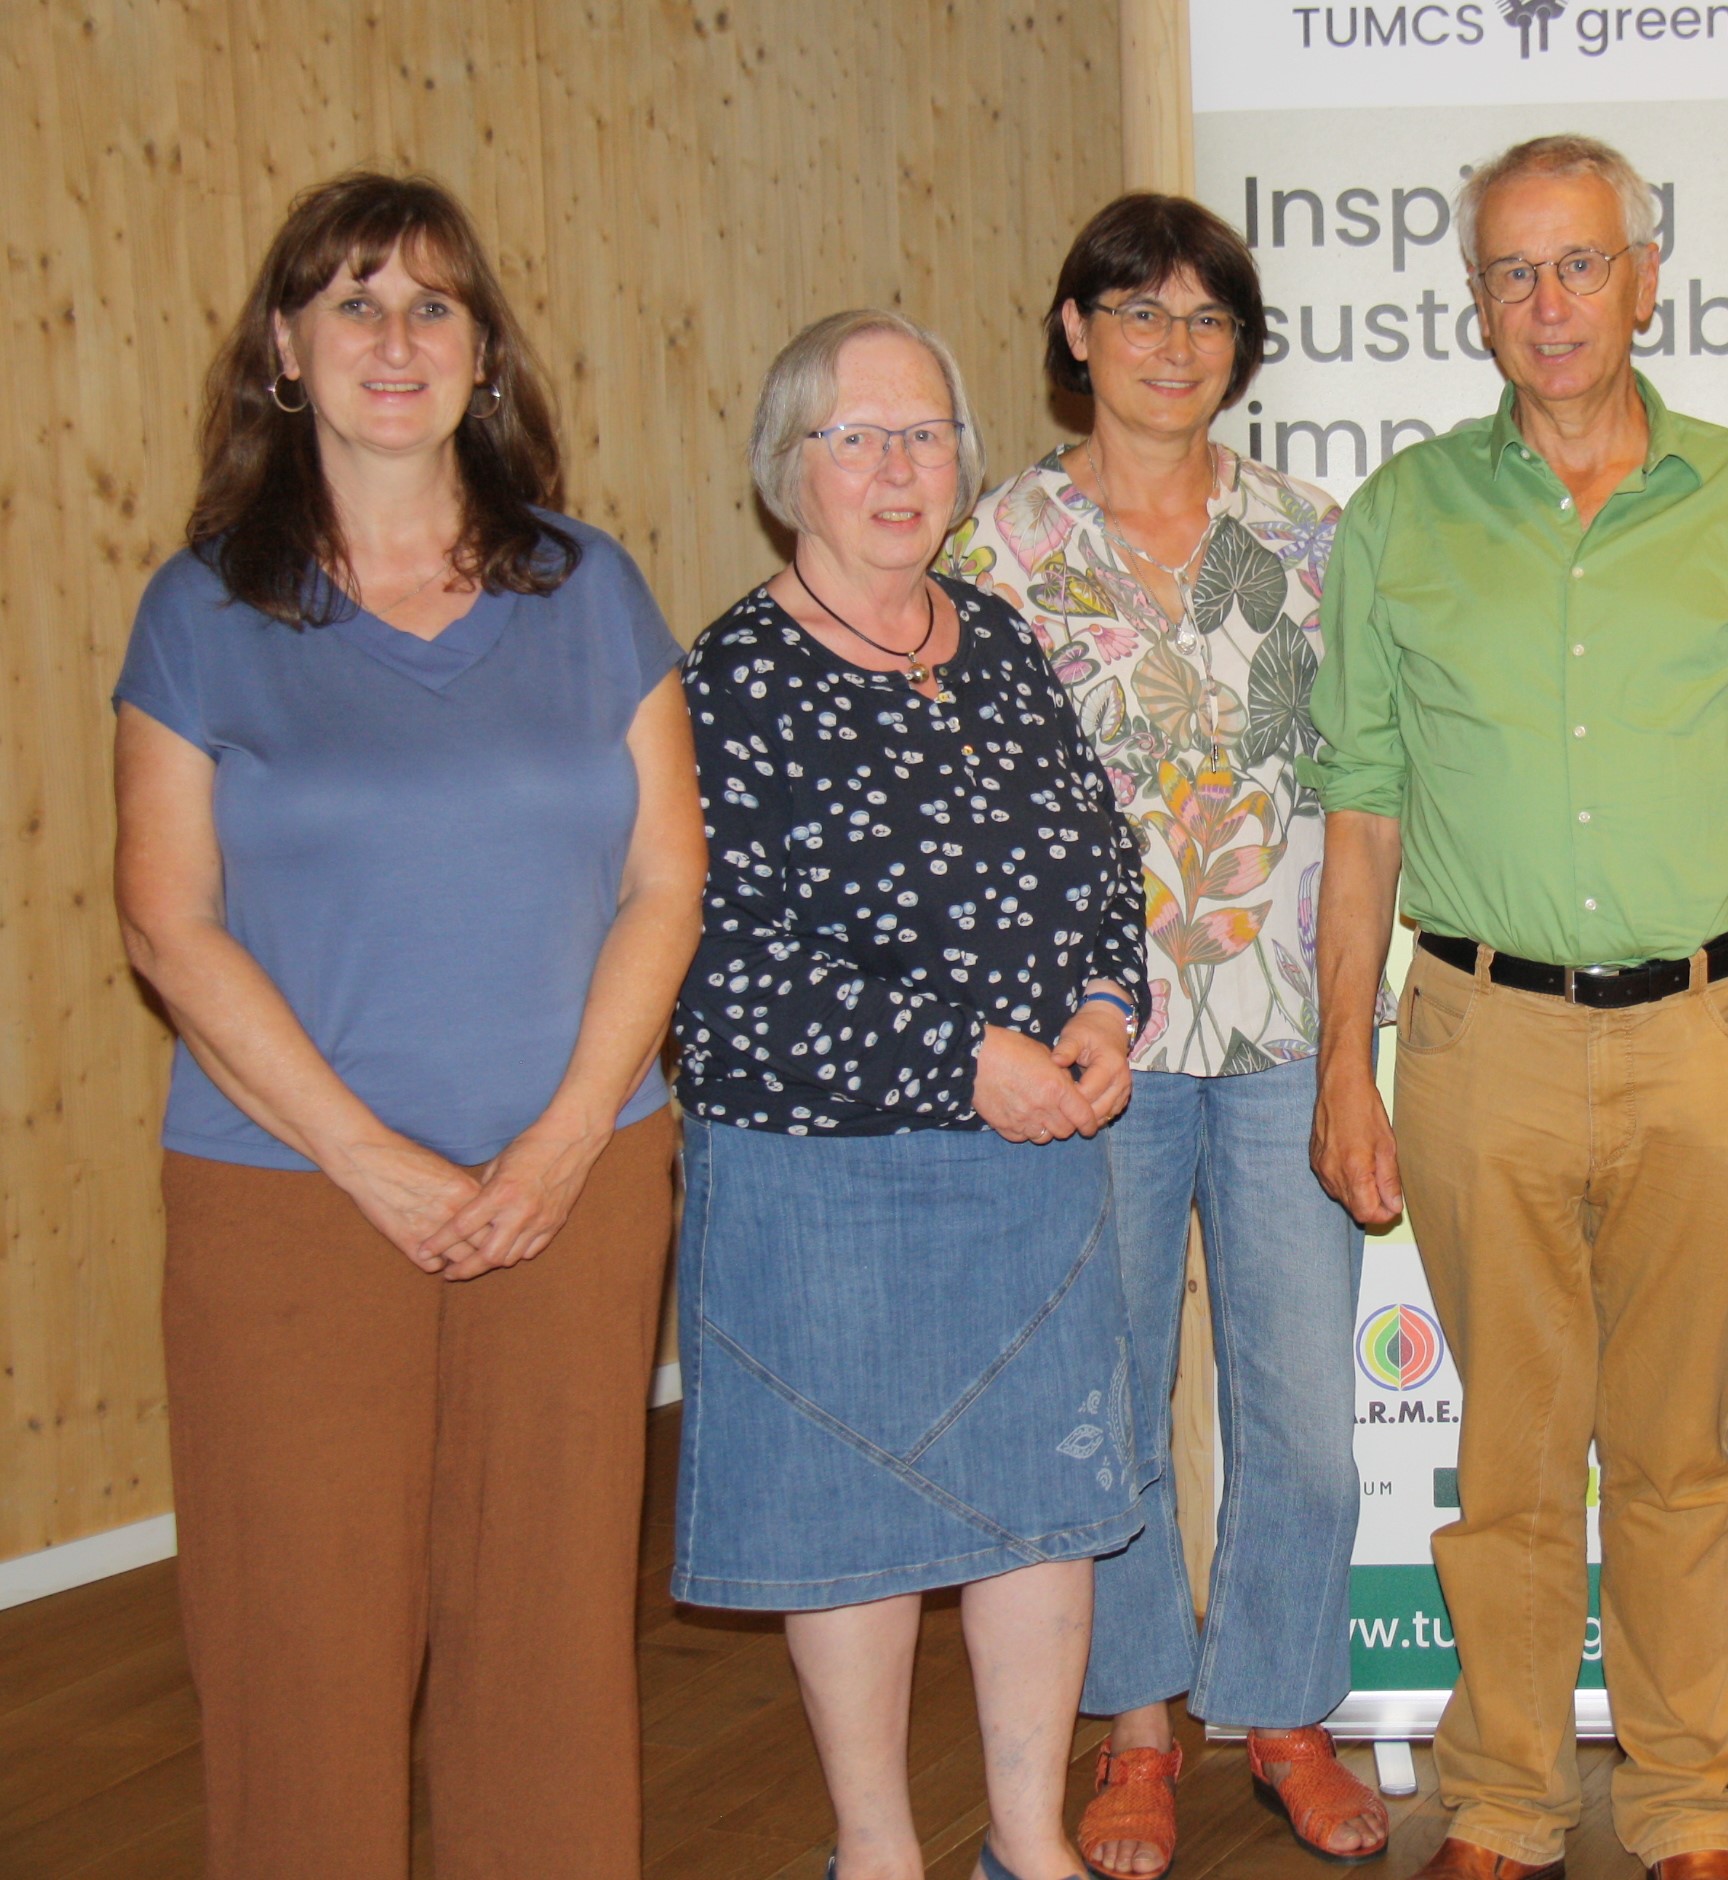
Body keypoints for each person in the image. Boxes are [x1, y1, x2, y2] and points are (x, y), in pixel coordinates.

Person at [110, 171, 704, 1877]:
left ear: (484, 359)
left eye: (433, 304)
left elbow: (666, 879)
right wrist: (371, 1162)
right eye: (353, 302)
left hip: (575, 1189)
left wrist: (569, 1132)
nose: (395, 336)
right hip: (290, 1201)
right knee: (301, 1647)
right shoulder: (200, 610)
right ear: (285, 350)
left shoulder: (589, 586)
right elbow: (170, 918)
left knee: (550, 1643)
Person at [1309, 134, 1728, 1880]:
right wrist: (1349, 1058)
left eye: (1579, 265)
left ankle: (1693, 1802)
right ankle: (1502, 1800)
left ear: (1646, 275)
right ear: (1474, 298)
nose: (1547, 304)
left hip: (1712, 1038)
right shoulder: (1402, 518)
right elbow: (1362, 801)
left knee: (1682, 1453)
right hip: (1479, 1040)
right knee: (1509, 1458)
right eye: (1509, 272)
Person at [670, 307, 1152, 1880]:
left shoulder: (997, 638)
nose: (897, 467)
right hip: (829, 1187)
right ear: (786, 467)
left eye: (926, 433)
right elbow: (720, 966)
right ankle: (874, 1852)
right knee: (852, 1531)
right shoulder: (732, 678)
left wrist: (1097, 1008)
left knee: (1044, 1512)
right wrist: (965, 1059)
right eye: (857, 436)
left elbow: (1094, 862)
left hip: (1032, 1171)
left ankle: (1028, 1842)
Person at [944, 193, 1391, 1880]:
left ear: (1240, 348)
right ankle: (1136, 1734)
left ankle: (1282, 1714)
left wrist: (1356, 1035)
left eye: (1205, 319)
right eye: (1136, 312)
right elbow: (969, 825)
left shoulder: (1312, 536)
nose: (1171, 346)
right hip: (1091, 1059)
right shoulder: (994, 553)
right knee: (1106, 1411)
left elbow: (1359, 796)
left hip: (1284, 1031)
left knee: (1301, 1415)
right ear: (1075, 332)